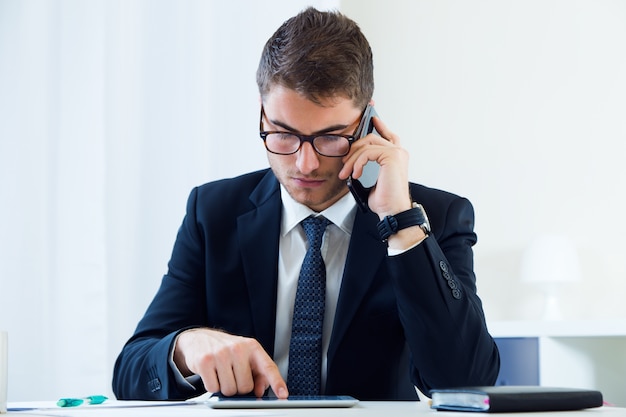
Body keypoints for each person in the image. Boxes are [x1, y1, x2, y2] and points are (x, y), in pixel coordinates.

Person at [112, 7, 500, 401]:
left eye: (331, 137)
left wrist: (400, 222)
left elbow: (465, 382)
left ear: (368, 121)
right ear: (262, 113)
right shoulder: (213, 213)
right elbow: (129, 370)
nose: (306, 164)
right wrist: (186, 348)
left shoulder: (435, 217)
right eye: (282, 134)